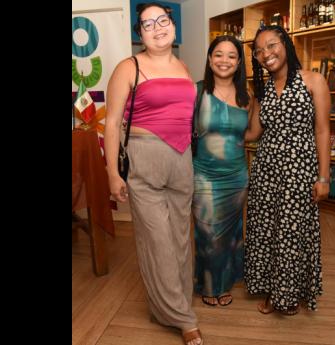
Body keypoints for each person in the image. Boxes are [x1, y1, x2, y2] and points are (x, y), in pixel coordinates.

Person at [104, 3, 203, 345]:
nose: (157, 27)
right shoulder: (128, 67)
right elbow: (112, 122)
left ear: (173, 27)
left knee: (179, 238)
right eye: (148, 24)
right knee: (157, 240)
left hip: (182, 159)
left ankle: (168, 305)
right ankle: (183, 319)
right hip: (145, 158)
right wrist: (113, 174)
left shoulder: (183, 66)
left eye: (163, 20)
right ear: (140, 34)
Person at [243, 25, 331, 315]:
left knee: (292, 232)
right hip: (266, 170)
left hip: (300, 171)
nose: (266, 54)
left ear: (285, 44)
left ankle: (289, 294)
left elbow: (322, 131)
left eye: (271, 45)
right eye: (259, 50)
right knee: (267, 231)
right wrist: (217, 127)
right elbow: (254, 132)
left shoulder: (313, 81)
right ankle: (273, 290)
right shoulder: (262, 90)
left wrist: (323, 176)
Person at [192, 35, 250, 307]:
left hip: (236, 176)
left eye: (231, 56)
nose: (224, 60)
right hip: (203, 174)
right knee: (207, 233)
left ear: (239, 62)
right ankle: (207, 283)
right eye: (218, 54)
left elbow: (250, 134)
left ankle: (223, 283)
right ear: (209, 58)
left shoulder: (247, 97)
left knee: (230, 235)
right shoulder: (196, 91)